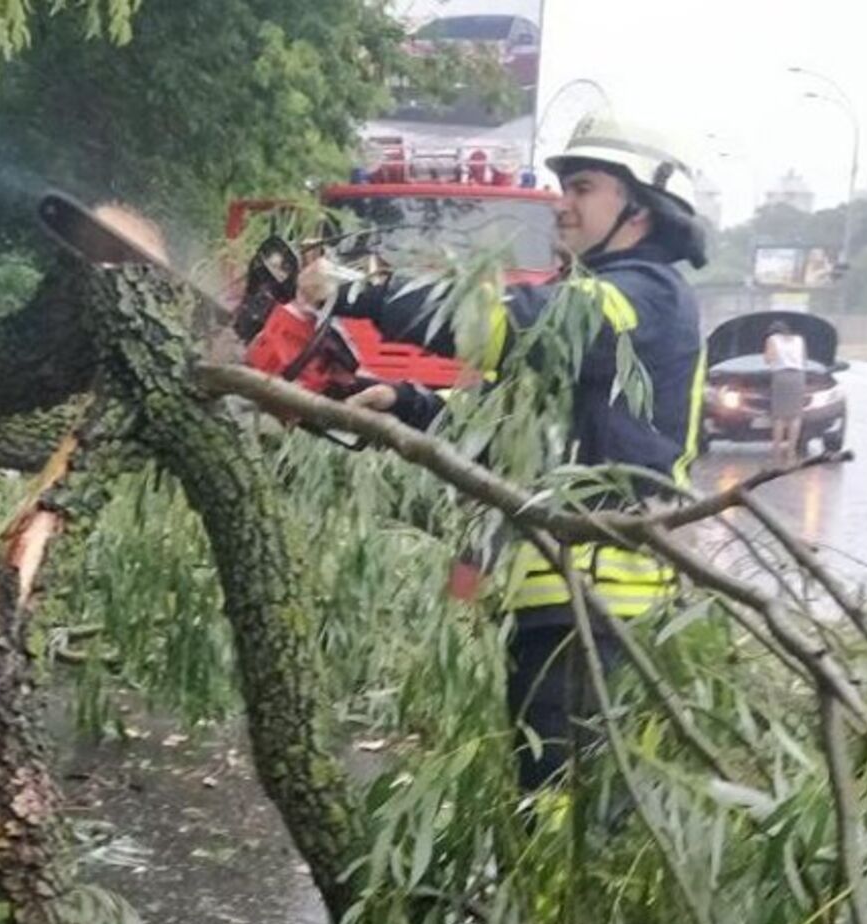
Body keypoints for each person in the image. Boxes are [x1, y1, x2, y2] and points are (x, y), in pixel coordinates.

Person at [302, 114, 709, 792]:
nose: (563, 203)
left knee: (563, 815)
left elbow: (512, 326)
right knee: (543, 804)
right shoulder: (602, 298)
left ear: (642, 208)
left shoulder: (644, 297)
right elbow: (512, 427)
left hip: (601, 609)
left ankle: (555, 902)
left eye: (583, 186)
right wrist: (405, 403)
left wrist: (361, 288)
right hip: (559, 602)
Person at [764, 319, 808, 465]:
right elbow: (803, 360)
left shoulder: (772, 339)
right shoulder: (799, 340)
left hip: (781, 377)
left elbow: (770, 358)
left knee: (779, 417)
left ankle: (776, 452)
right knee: (795, 416)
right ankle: (791, 452)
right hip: (798, 377)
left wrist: (767, 357)